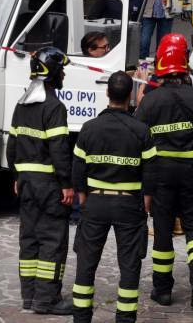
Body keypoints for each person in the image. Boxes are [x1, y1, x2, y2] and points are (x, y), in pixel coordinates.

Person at [134, 33, 193, 311]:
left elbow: (137, 139)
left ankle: (162, 290)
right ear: (185, 64)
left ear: (159, 66)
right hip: (192, 175)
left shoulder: (149, 102)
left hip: (160, 178)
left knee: (162, 231)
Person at [71, 71, 157, 323]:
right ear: (130, 95)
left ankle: (81, 317)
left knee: (86, 263)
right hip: (129, 204)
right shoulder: (141, 131)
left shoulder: (88, 129)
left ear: (107, 93)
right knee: (130, 265)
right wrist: (145, 205)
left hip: (95, 203)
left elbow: (78, 171)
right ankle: (125, 319)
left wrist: (85, 200)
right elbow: (151, 174)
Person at [6, 46, 74, 315]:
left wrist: (16, 175)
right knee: (52, 240)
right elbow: (59, 148)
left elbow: (12, 145)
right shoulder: (54, 106)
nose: (64, 75)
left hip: (26, 183)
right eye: (62, 71)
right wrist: (67, 184)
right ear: (53, 73)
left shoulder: (22, 103)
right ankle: (47, 300)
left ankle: (30, 296)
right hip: (48, 184)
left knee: (30, 238)